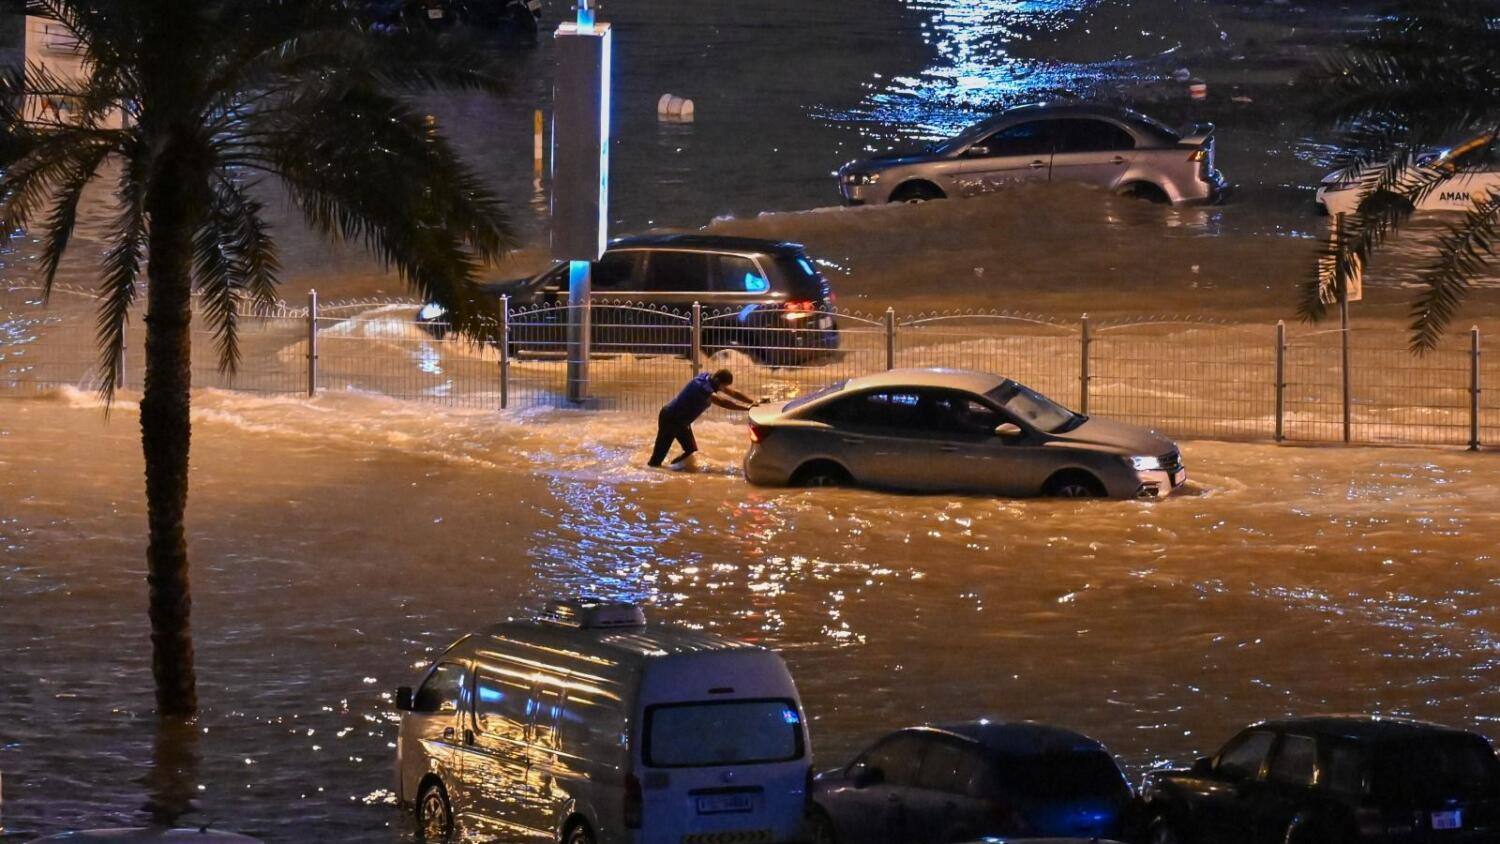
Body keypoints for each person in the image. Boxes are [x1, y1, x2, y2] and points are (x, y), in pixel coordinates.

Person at [649, 369, 755, 468]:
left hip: (682, 422)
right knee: (656, 461)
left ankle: (674, 471)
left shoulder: (708, 377)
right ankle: (652, 476)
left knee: (691, 450)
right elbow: (722, 402)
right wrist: (746, 409)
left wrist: (752, 402)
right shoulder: (703, 388)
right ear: (718, 381)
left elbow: (733, 393)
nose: (723, 389)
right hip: (671, 419)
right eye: (723, 386)